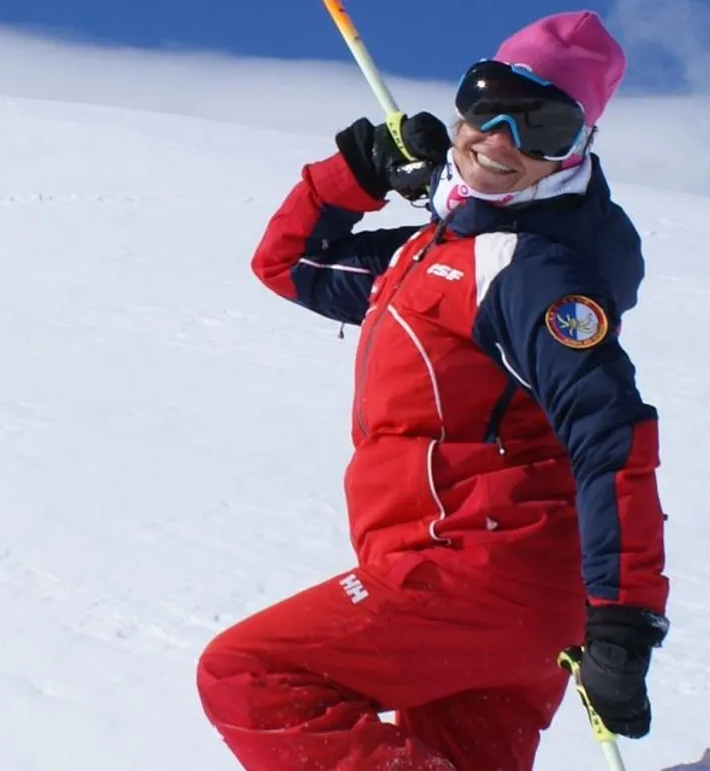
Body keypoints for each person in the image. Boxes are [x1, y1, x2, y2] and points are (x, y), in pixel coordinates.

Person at [195, 10, 672, 771]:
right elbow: (289, 265)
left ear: (574, 153)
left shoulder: (531, 270)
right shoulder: (433, 254)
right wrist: (363, 169)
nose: (501, 139)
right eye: (489, 102)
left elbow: (609, 429)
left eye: (542, 126)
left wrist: (625, 617)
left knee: (250, 674)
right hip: (490, 593)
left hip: (478, 574)